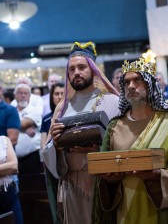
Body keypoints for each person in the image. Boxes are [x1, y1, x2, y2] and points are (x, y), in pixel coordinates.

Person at [92, 58, 168, 223]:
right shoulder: (114, 126)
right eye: (126, 82)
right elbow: (105, 171)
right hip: (126, 211)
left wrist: (159, 176)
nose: (131, 86)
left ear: (150, 84)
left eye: (138, 80)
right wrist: (109, 181)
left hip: (165, 212)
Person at [42, 41, 120, 224]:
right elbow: (47, 153)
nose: (76, 72)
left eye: (82, 67)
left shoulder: (113, 102)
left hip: (103, 183)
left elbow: (126, 144)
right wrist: (56, 143)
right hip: (71, 187)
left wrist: (97, 150)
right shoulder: (62, 107)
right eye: (71, 69)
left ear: (93, 69)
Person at [40, 82, 64, 224]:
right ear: (51, 97)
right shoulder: (46, 118)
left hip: (68, 162)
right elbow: (43, 145)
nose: (59, 96)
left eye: (62, 93)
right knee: (55, 203)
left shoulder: (71, 113)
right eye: (56, 93)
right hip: (51, 162)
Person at [13, 83, 42, 174]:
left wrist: (20, 127)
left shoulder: (35, 110)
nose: (23, 95)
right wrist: (25, 130)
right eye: (20, 93)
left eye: (26, 93)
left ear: (29, 96)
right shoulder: (11, 110)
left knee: (33, 186)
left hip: (31, 157)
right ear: (15, 95)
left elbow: (22, 124)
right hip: (13, 158)